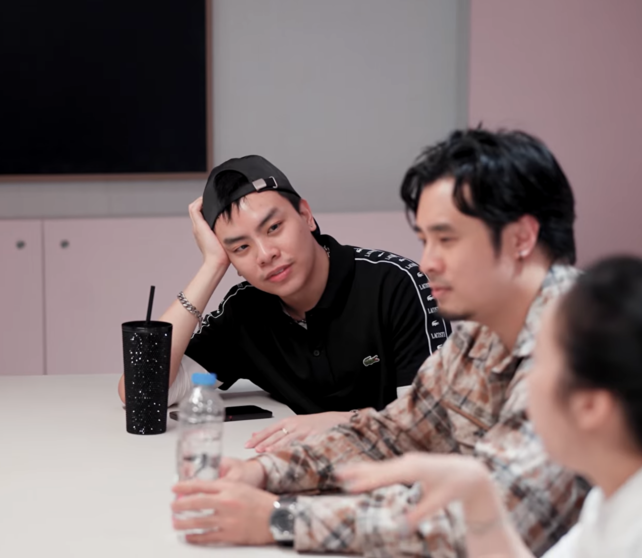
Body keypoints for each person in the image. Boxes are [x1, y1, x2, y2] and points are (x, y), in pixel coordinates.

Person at [169, 129, 588, 556]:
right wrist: (263, 472)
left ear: (520, 239)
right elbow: (399, 432)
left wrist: (279, 519)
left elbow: (493, 523)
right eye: (425, 241)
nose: (428, 262)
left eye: (446, 239)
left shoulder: (580, 340)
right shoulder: (487, 330)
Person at [338, 256, 642, 557]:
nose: (525, 380)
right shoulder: (626, 489)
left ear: (591, 405)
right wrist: (480, 500)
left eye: (538, 360)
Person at [118, 155, 449, 452]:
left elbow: (435, 426)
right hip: (304, 476)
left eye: (274, 228)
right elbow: (144, 392)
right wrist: (211, 267)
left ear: (306, 215)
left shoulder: (398, 285)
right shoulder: (245, 312)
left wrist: (340, 423)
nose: (265, 255)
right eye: (241, 248)